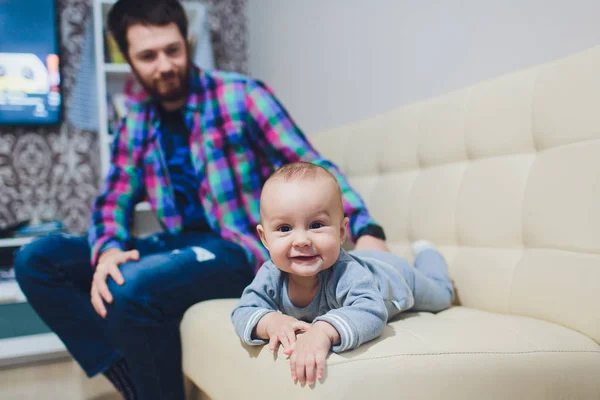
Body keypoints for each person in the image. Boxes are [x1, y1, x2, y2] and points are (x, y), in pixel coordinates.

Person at [13, 1, 388, 399]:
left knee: (132, 287)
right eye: (148, 56)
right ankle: (137, 383)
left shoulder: (242, 96)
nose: (164, 65)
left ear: (187, 42)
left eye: (172, 50)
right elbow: (113, 200)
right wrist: (108, 250)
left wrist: (367, 228)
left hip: (235, 248)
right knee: (37, 260)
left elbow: (314, 168)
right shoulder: (135, 121)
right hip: (178, 244)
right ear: (128, 58)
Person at [231, 162, 454, 386]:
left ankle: (428, 254)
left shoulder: (347, 273)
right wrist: (271, 321)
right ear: (264, 238)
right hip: (365, 257)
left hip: (395, 275)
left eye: (316, 225)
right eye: (284, 228)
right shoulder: (271, 274)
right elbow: (244, 310)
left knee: (443, 296)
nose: (301, 240)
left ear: (340, 232)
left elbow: (371, 310)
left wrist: (324, 330)